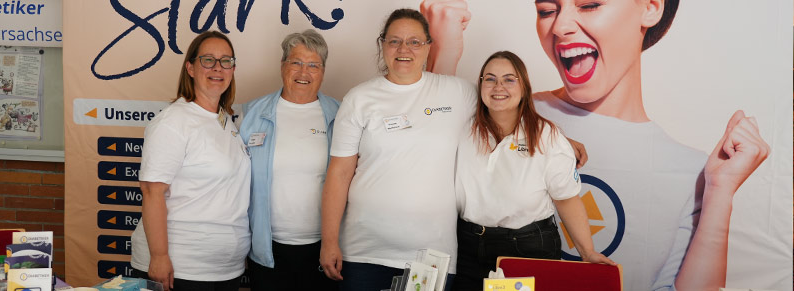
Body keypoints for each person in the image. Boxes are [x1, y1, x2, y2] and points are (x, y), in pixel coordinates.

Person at [422, 0, 770, 290]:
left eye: (589, 4)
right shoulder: (503, 110)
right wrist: (442, 52)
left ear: (651, 6)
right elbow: (433, 137)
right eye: (546, 10)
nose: (560, 27)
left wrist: (720, 192)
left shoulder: (693, 172)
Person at [319, 8, 477, 291]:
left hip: (431, 257)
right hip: (363, 253)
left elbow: (507, 115)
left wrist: (560, 139)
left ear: (429, 46)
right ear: (383, 45)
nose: (404, 49)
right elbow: (339, 173)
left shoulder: (459, 94)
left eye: (414, 41)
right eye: (394, 41)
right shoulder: (359, 99)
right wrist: (329, 241)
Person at [453, 51, 615, 290]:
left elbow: (567, 200)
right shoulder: (462, 128)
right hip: (469, 248)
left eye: (509, 79)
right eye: (490, 78)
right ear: (480, 84)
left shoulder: (547, 138)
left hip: (527, 247)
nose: (498, 86)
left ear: (524, 87)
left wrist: (587, 251)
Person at [130, 31, 250, 291]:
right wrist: (160, 257)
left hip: (224, 270)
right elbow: (152, 192)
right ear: (191, 68)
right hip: (181, 268)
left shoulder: (226, 120)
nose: (218, 68)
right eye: (208, 60)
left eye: (226, 61)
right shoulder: (173, 122)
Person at [239, 29, 339, 291]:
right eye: (296, 62)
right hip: (267, 249)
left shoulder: (341, 116)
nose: (303, 72)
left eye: (313, 65)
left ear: (323, 71)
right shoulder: (251, 114)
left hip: (324, 248)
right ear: (282, 65)